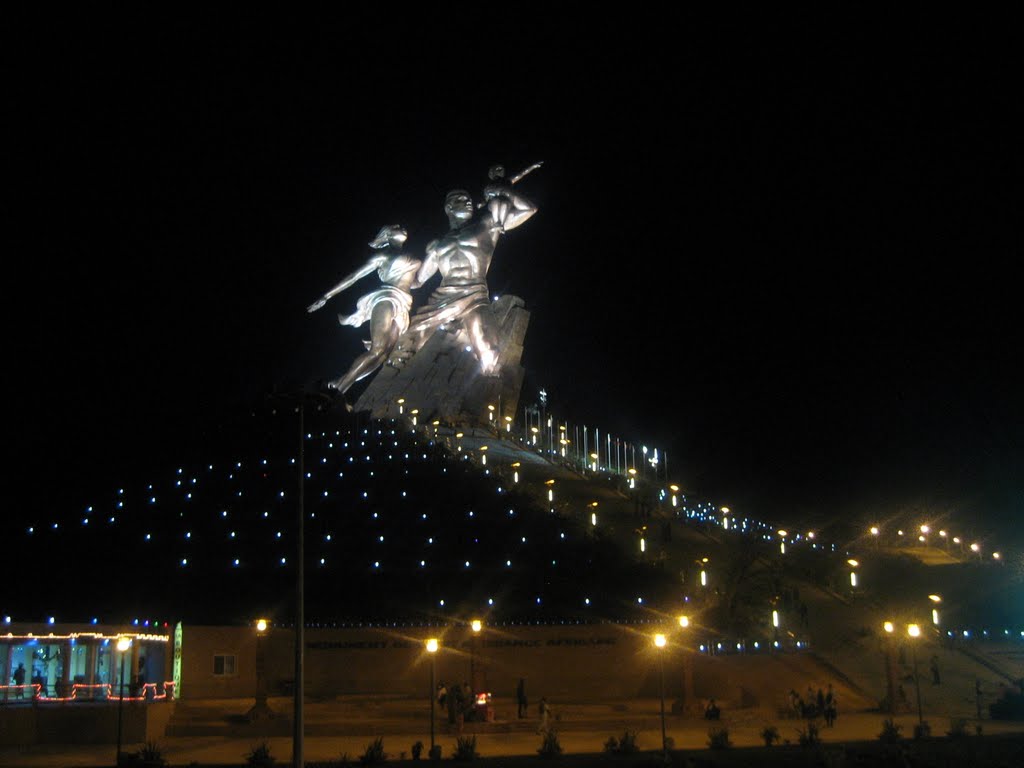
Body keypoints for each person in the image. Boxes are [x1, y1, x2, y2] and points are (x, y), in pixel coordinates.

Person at [408, 167, 538, 375]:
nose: (468, 201)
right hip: (443, 296)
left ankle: (488, 391)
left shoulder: (486, 224)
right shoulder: (437, 245)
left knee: (488, 348)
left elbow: (528, 209)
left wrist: (505, 190)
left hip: (474, 294)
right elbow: (418, 281)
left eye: (469, 199)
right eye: (461, 199)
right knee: (408, 343)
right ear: (449, 207)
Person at [307, 224, 423, 399]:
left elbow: (415, 283)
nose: (401, 227)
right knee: (377, 350)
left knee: (383, 356)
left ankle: (337, 384)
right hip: (386, 298)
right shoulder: (383, 255)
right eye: (396, 227)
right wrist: (326, 296)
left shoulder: (411, 256)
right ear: (387, 235)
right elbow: (354, 277)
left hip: (404, 302)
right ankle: (338, 391)